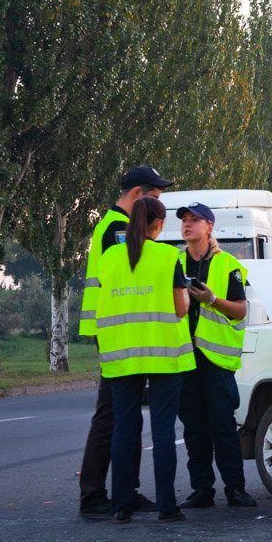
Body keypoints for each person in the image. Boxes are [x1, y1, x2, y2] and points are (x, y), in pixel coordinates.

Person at [78, 165, 175, 519]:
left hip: (116, 332)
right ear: (137, 194)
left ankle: (125, 491)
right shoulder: (117, 230)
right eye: (154, 201)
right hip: (117, 333)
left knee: (125, 416)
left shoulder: (111, 225)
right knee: (112, 416)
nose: (154, 212)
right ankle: (93, 495)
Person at [97, 196, 193, 522]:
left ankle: (121, 504)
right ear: (158, 224)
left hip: (122, 355)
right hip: (164, 354)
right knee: (163, 431)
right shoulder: (168, 256)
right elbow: (181, 308)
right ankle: (167, 506)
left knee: (124, 429)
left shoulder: (109, 258)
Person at [176, 202, 258, 508]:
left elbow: (240, 311)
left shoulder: (228, 265)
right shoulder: (174, 261)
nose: (187, 224)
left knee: (222, 426)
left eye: (194, 220)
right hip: (184, 356)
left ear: (209, 227)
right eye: (184, 220)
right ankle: (202, 489)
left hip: (216, 360)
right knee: (194, 428)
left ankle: (235, 488)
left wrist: (211, 299)